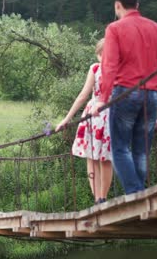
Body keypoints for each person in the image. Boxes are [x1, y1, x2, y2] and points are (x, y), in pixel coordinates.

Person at [91, 0, 157, 195]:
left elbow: (109, 67)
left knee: (119, 149)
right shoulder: (156, 29)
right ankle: (140, 192)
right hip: (151, 95)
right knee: (142, 150)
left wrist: (102, 100)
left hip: (125, 93)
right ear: (137, 4)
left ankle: (136, 194)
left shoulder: (115, 29)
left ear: (118, 6)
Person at [56, 39, 113, 204]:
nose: (103, 57)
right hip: (93, 117)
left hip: (107, 116)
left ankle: (102, 198)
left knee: (104, 157)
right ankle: (98, 199)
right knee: (93, 157)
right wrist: (67, 118)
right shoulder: (95, 68)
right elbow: (83, 95)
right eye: (101, 54)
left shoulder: (116, 69)